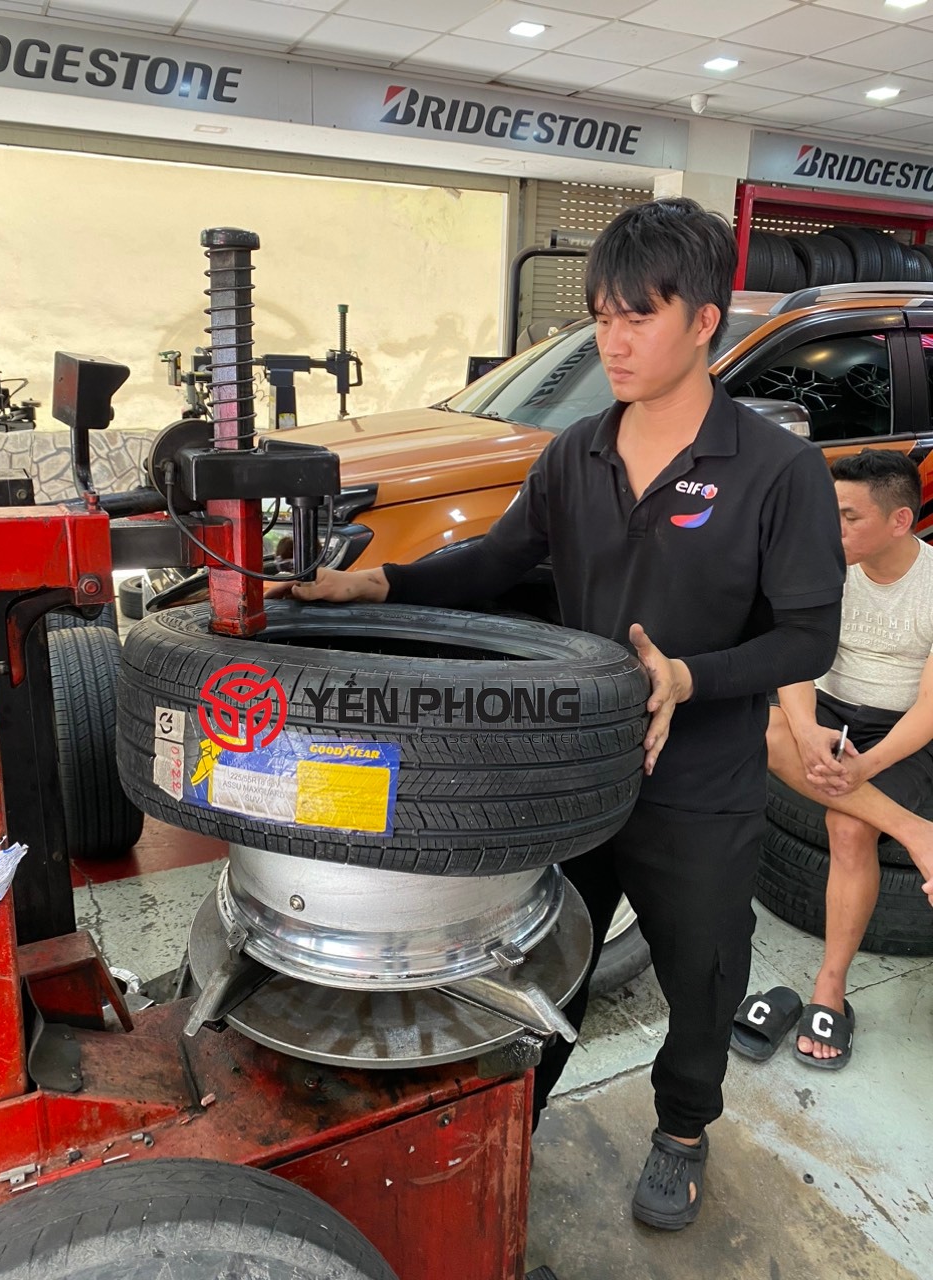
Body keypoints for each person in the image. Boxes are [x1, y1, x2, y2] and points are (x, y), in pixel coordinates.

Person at [274, 198, 845, 1229]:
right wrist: (377, 583)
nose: (612, 341)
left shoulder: (778, 470)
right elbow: (494, 563)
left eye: (639, 316)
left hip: (700, 785)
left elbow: (807, 638)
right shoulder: (575, 452)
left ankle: (682, 1128)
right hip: (573, 775)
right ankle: (515, 1120)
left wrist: (688, 677)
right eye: (601, 316)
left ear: (704, 320)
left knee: (702, 972)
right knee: (536, 957)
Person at [767, 450, 933, 1068]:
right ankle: (916, 832)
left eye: (848, 517)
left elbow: (929, 708)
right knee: (761, 731)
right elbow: (793, 657)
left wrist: (866, 766)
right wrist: (808, 731)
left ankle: (830, 985)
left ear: (899, 521)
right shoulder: (822, 568)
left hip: (900, 730)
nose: (831, 529)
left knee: (847, 823)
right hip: (826, 709)